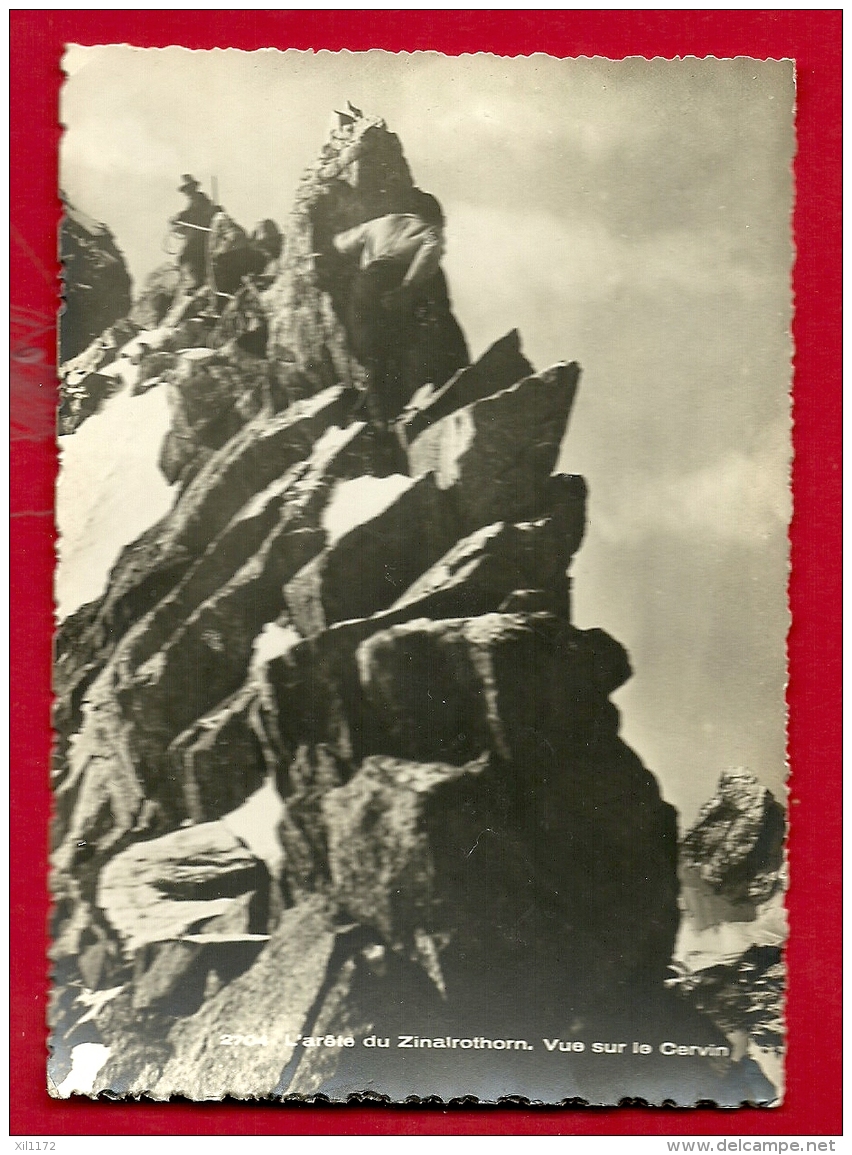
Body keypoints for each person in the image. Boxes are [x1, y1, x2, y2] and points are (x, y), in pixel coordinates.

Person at [332, 189, 446, 431]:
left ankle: (367, 414)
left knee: (373, 350)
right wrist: (408, 288)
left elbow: (342, 243)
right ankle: (379, 421)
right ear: (435, 217)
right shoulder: (431, 230)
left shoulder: (384, 221)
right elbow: (429, 252)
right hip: (392, 284)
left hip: (364, 284)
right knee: (393, 349)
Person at [171, 175, 216, 290]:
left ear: (194, 188)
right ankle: (198, 281)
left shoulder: (201, 199)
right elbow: (188, 214)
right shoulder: (194, 202)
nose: (187, 192)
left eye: (189, 189)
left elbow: (194, 214)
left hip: (201, 236)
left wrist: (180, 218)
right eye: (186, 190)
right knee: (188, 258)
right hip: (196, 236)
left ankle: (198, 282)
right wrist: (178, 219)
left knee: (186, 257)